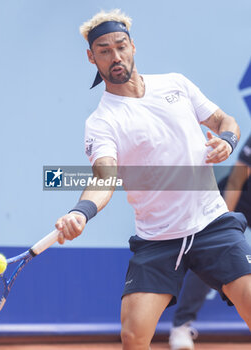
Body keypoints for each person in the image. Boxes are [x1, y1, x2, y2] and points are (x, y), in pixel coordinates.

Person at [54, 9, 251, 350]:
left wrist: (227, 142)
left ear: (132, 46)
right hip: (158, 239)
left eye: (120, 46)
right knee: (133, 337)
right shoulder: (102, 122)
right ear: (92, 57)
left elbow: (224, 120)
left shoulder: (176, 84)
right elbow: (104, 177)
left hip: (212, 224)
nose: (115, 56)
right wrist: (80, 212)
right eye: (104, 50)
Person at [169, 133, 251, 350]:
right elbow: (237, 178)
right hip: (237, 200)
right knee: (214, 253)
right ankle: (181, 325)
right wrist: (224, 224)